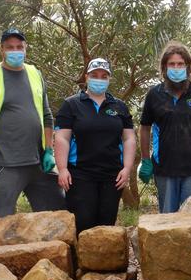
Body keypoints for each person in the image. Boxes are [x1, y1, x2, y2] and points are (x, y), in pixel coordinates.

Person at [0, 28, 64, 242]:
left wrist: (48, 150)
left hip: (39, 161)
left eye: (20, 47)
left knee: (56, 211)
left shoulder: (35, 74)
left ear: (26, 48)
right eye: (10, 47)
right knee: (1, 220)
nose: (15, 51)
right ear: (1, 49)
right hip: (5, 162)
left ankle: (56, 262)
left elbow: (46, 115)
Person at [54, 58, 136, 233]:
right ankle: (80, 261)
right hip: (80, 175)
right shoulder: (71, 104)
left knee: (106, 225)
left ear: (109, 79)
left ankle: (105, 261)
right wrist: (62, 169)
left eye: (104, 76)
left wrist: (127, 168)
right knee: (83, 223)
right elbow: (62, 138)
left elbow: (129, 138)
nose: (99, 79)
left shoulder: (119, 107)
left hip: (112, 176)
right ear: (87, 77)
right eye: (95, 75)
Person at [138, 41, 191, 213]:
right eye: (172, 64)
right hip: (164, 168)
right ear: (164, 68)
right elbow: (144, 128)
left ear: (188, 66)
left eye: (180, 64)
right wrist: (145, 160)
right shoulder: (154, 95)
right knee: (168, 221)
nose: (176, 68)